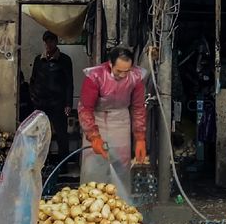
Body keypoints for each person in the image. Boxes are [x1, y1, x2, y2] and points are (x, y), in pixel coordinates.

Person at [78, 47, 147, 184]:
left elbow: (138, 108)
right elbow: (85, 109)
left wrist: (140, 138)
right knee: (93, 165)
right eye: (118, 71)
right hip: (97, 119)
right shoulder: (95, 76)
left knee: (121, 165)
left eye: (126, 71)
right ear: (110, 64)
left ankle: (121, 201)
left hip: (121, 120)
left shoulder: (136, 77)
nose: (122, 75)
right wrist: (94, 136)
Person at [29, 31, 74, 163]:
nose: (49, 44)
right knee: (41, 134)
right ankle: (43, 163)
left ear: (56, 42)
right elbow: (33, 80)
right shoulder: (38, 60)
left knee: (61, 135)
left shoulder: (65, 60)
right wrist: (33, 97)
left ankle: (63, 164)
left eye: (51, 41)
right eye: (46, 41)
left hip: (58, 104)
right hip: (41, 103)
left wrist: (68, 104)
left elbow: (69, 83)